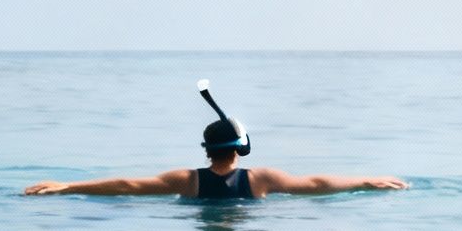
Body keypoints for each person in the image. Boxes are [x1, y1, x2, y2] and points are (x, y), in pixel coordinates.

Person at [24, 83, 406, 198]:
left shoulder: (188, 180)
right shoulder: (260, 180)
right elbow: (317, 185)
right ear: (242, 147)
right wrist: (364, 181)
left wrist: (68, 186)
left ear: (206, 151)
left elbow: (127, 185)